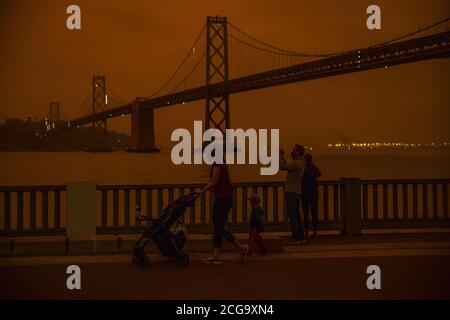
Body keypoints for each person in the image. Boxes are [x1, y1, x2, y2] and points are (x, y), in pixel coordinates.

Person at [200, 151, 249, 265]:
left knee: (219, 228)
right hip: (225, 198)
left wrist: (202, 191)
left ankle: (241, 248)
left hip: (222, 199)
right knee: (218, 227)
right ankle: (215, 255)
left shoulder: (217, 165)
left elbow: (214, 181)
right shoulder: (222, 163)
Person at [279, 144, 306, 243]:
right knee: (297, 215)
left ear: (298, 152)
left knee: (292, 215)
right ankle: (301, 236)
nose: (292, 152)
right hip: (297, 191)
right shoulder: (301, 163)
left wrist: (281, 155)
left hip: (291, 191)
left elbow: (282, 167)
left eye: (294, 150)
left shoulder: (297, 163)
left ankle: (296, 237)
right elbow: (287, 167)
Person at [301, 153, 321, 239]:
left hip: (305, 192)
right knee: (314, 212)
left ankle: (306, 232)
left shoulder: (303, 168)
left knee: (306, 213)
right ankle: (315, 232)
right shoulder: (313, 167)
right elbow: (319, 174)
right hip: (313, 192)